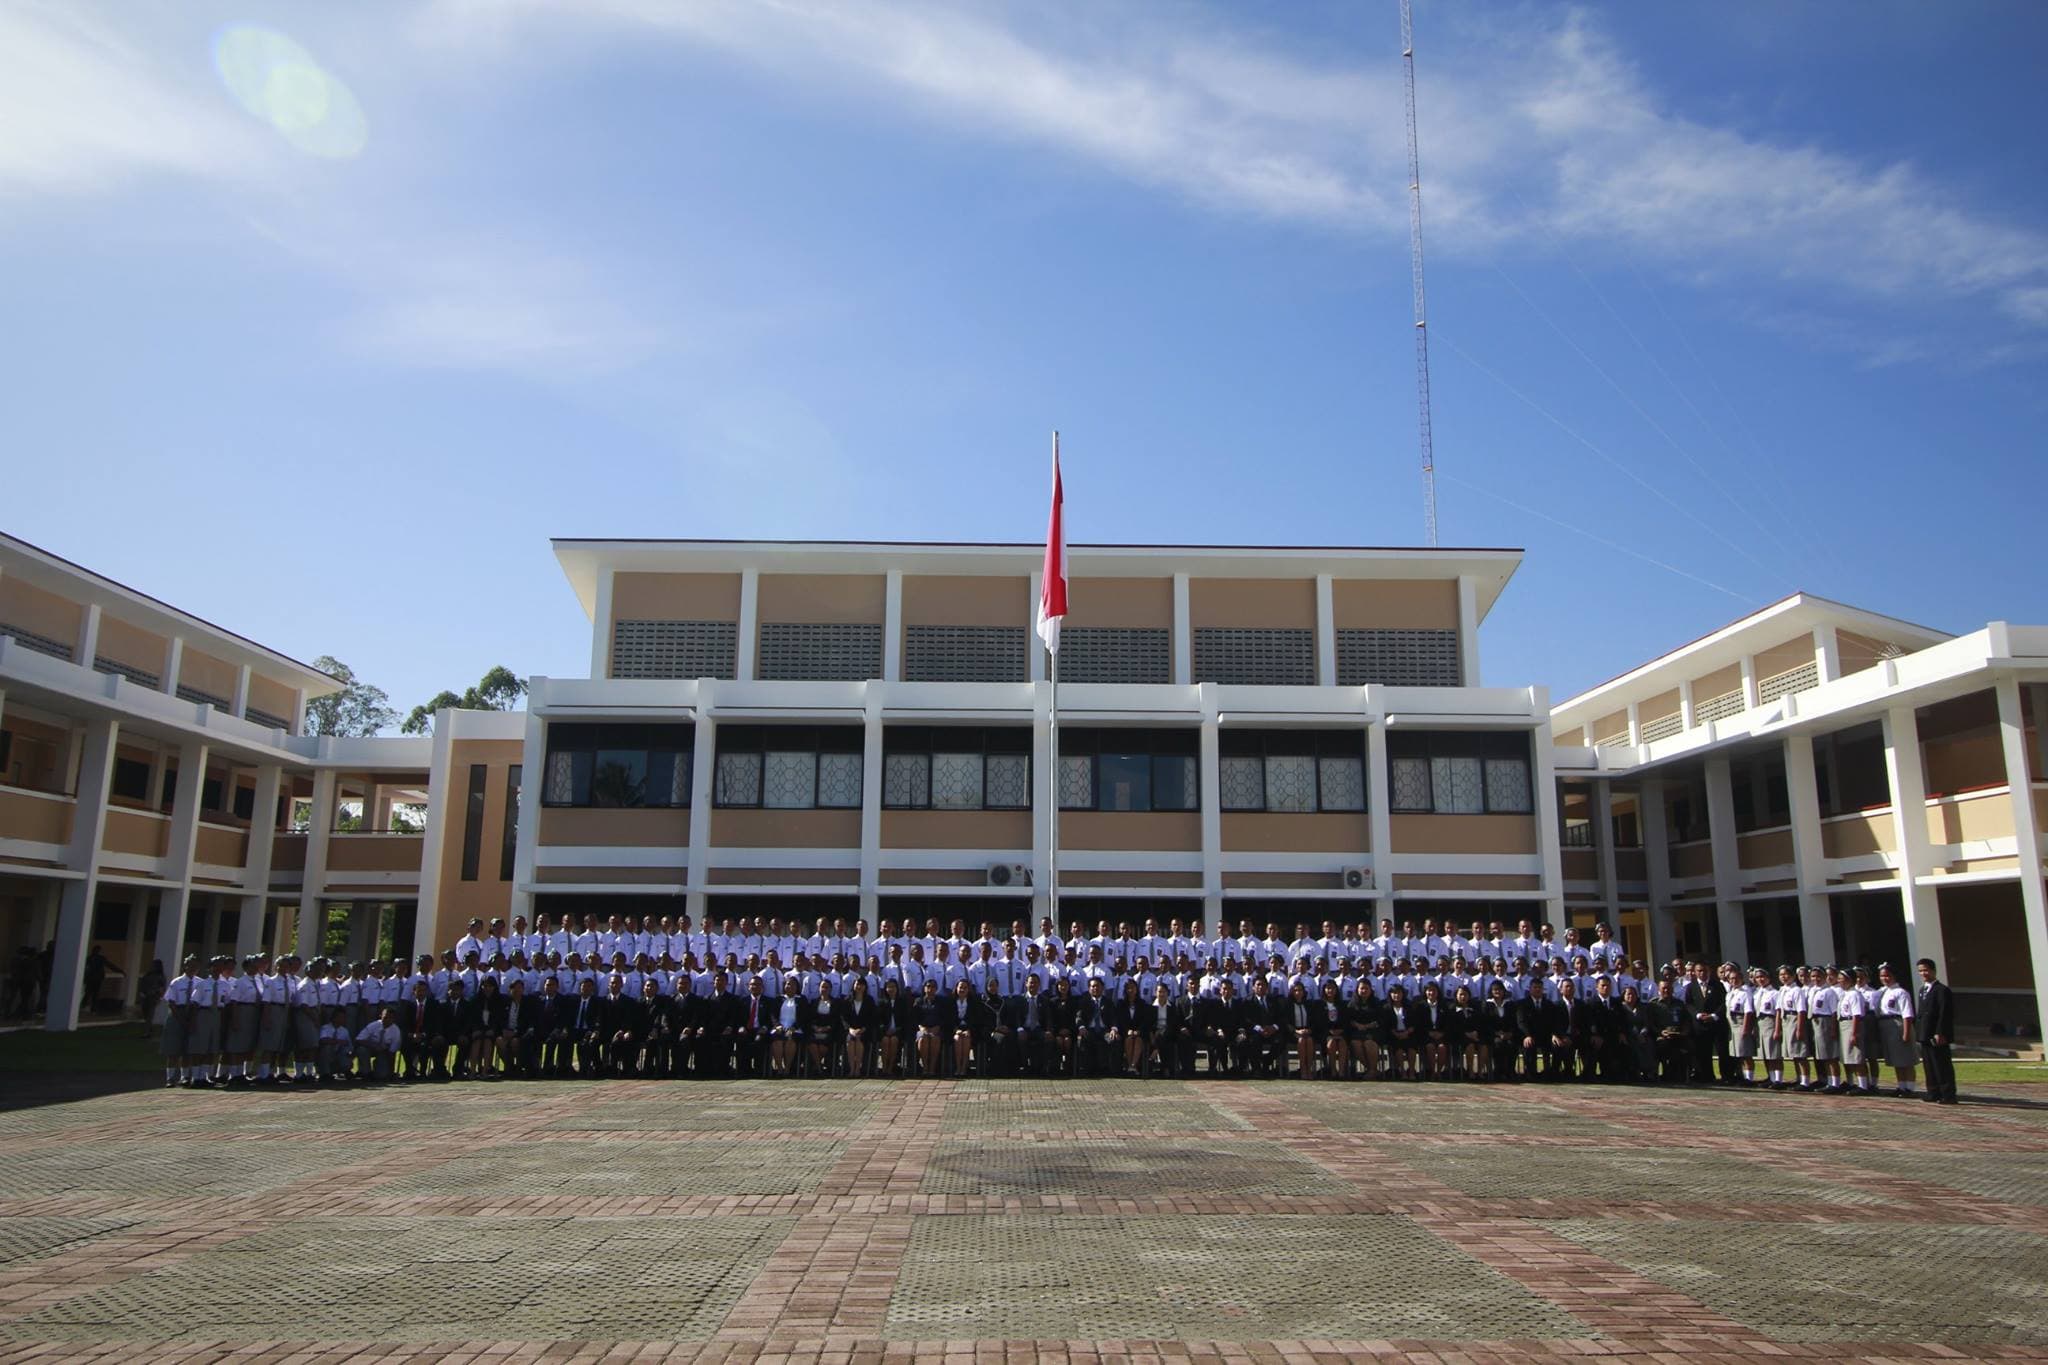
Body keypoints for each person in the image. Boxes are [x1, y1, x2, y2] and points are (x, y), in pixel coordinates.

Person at [1915, 958, 1956, 1105]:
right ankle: (1933, 1091)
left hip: (1936, 1033)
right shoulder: (1922, 990)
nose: (1923, 973)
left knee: (1941, 1064)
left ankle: (1948, 1094)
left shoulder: (1942, 990)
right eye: (1920, 971)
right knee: (1929, 1064)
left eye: (1926, 970)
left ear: (1933, 970)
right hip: (1925, 1033)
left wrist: (1940, 1032)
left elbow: (1944, 1013)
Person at [1876, 962, 1919, 1097]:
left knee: (1906, 1058)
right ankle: (1901, 1086)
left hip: (1898, 1023)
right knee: (1896, 1058)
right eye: (1882, 976)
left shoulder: (1900, 992)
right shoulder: (1882, 992)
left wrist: (1906, 1033)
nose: (1885, 978)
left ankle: (1910, 1088)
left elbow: (1907, 1014)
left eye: (1887, 975)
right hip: (1886, 1025)